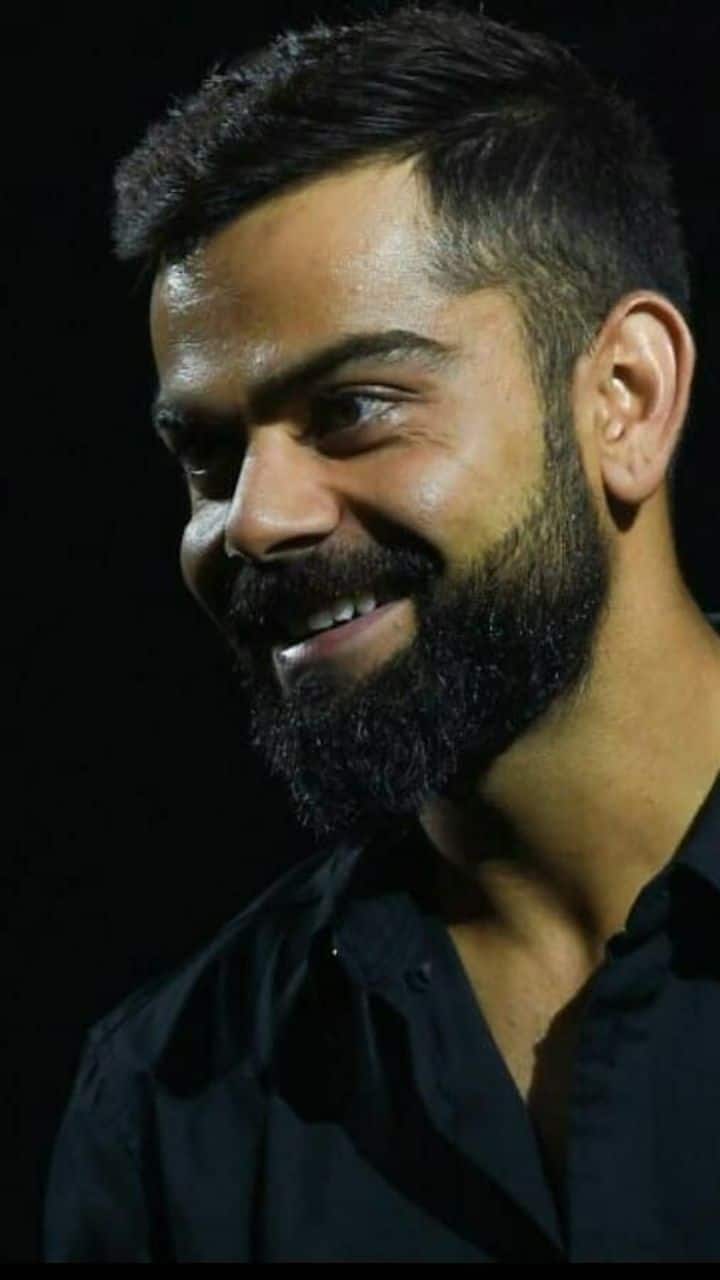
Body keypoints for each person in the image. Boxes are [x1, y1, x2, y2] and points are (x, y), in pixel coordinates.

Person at [43, 2, 720, 1262]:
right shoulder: (170, 1110)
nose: (254, 522)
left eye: (354, 406)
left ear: (625, 398)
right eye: (210, 456)